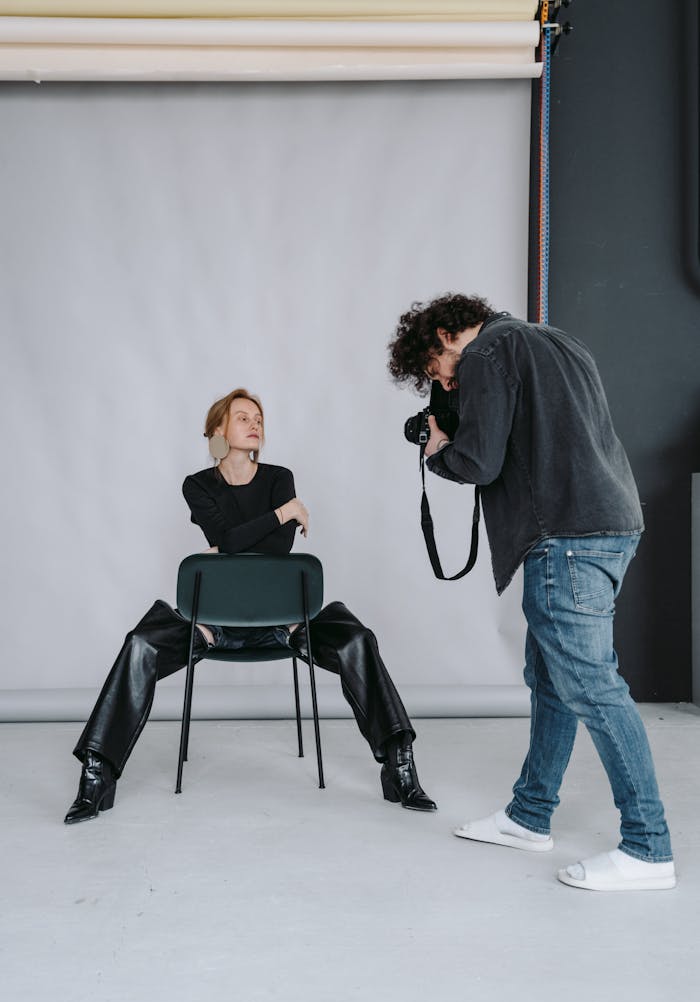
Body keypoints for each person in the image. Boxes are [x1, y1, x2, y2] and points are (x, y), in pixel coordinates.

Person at [387, 294, 675, 891]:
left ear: (446, 333)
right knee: (552, 680)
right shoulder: (555, 340)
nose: (440, 380)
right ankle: (529, 816)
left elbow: (480, 464)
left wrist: (439, 451)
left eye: (434, 366)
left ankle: (648, 849)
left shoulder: (487, 352)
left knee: (592, 686)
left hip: (565, 535)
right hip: (609, 522)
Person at [65, 387, 436, 824]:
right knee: (139, 644)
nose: (254, 423)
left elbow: (273, 550)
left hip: (286, 624)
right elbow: (239, 542)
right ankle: (96, 777)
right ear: (218, 429)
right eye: (242, 417)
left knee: (357, 638)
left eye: (258, 417)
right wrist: (284, 514)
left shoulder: (280, 477)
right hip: (212, 626)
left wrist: (230, 542)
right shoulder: (198, 485)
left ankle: (400, 766)